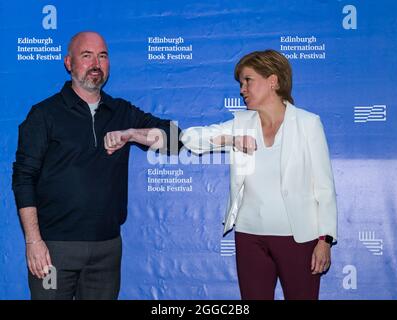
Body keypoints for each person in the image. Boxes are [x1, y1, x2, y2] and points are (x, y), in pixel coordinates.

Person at [12, 31, 180, 300]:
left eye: (102, 56)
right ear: (69, 63)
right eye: (86, 55)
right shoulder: (44, 115)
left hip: (106, 251)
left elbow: (175, 139)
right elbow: (23, 178)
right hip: (54, 251)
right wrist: (33, 241)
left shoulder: (122, 112)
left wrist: (133, 134)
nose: (96, 64)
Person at [181, 49, 337, 300]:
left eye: (248, 80)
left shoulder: (308, 124)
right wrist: (230, 138)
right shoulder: (240, 123)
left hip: (299, 238)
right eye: (241, 83)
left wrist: (325, 241)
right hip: (249, 236)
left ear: (273, 81)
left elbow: (324, 188)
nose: (242, 89)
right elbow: (190, 139)